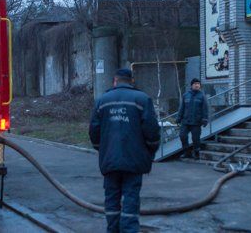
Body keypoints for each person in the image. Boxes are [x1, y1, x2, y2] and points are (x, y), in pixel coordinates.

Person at [89, 68, 161, 233]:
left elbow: (94, 131)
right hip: (134, 160)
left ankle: (112, 229)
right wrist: (150, 151)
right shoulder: (142, 99)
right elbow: (152, 131)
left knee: (111, 198)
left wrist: (102, 150)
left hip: (110, 160)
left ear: (114, 81)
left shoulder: (102, 100)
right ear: (132, 81)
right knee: (131, 198)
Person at [176, 78, 209, 158]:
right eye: (195, 84)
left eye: (198, 83)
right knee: (182, 136)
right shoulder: (185, 95)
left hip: (196, 122)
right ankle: (187, 152)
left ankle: (196, 153)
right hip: (185, 121)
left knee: (196, 138)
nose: (197, 85)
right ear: (192, 85)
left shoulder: (202, 96)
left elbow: (205, 108)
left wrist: (205, 119)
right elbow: (182, 108)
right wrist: (178, 118)